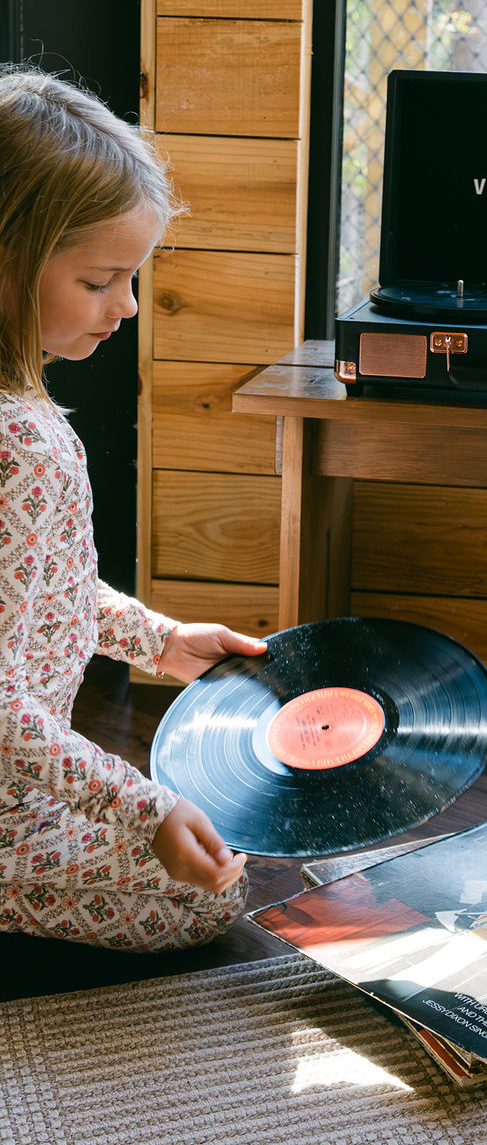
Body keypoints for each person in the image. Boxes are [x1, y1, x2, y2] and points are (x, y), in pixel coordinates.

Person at [0, 64, 269, 951]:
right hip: (10, 803)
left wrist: (157, 639)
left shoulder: (22, 420)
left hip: (23, 772)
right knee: (204, 896)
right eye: (101, 280)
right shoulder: (20, 447)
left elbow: (43, 595)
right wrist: (142, 806)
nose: (125, 308)